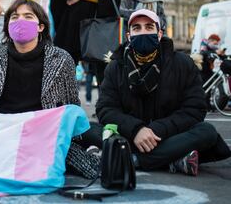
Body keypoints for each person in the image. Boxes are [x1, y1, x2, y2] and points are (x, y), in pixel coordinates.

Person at [92, 9, 230, 176]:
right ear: (128, 36)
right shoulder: (115, 67)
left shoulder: (183, 64)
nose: (143, 32)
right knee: (85, 129)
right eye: (137, 28)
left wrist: (155, 131)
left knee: (206, 132)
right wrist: (136, 130)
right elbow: (106, 109)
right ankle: (172, 159)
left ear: (159, 34)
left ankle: (132, 160)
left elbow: (195, 109)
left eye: (149, 27)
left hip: (168, 136)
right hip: (129, 135)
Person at [0, 0, 100, 179]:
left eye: (28, 16)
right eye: (14, 17)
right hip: (1, 131)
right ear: (8, 25)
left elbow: (72, 105)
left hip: (44, 133)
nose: (20, 21)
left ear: (40, 27)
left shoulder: (62, 59)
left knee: (89, 140)